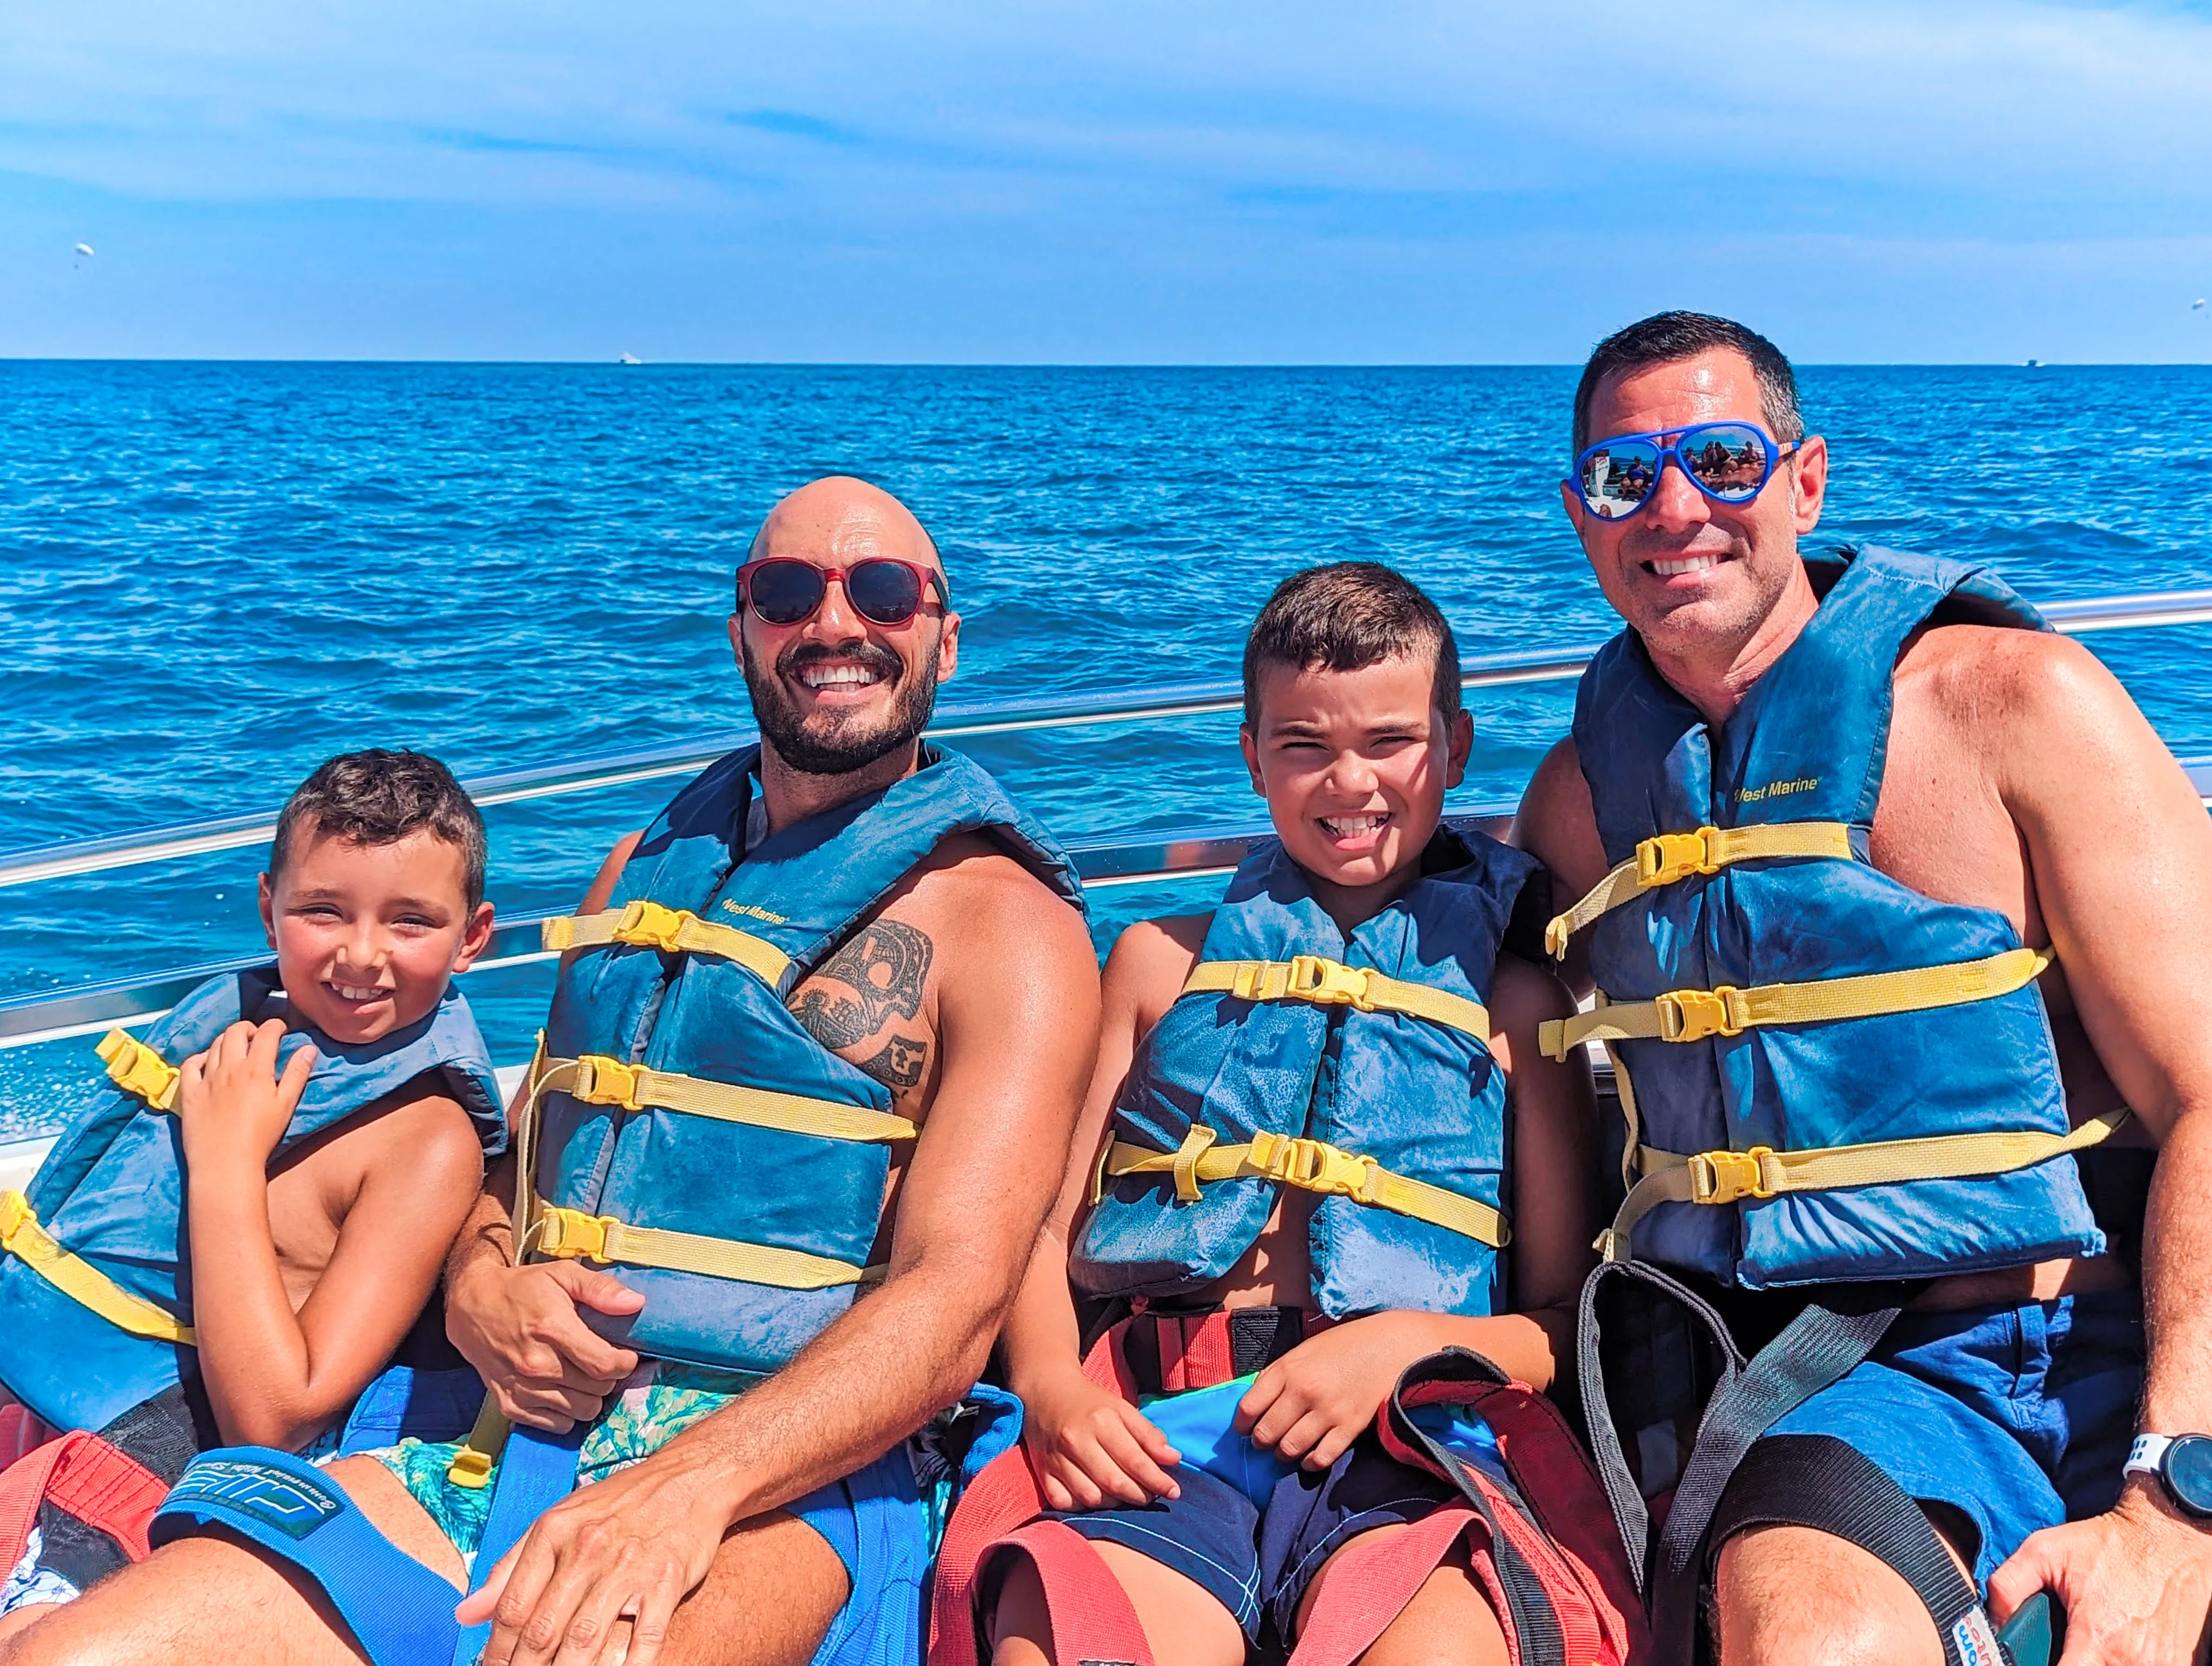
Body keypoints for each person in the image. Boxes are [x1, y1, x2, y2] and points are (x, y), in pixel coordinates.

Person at [0, 476, 1101, 1666]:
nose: (834, 625)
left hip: (792, 1482)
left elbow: (954, 1303)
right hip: (505, 1436)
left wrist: (687, 1489)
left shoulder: (1010, 929)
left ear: (944, 634)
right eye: (788, 593)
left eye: (883, 591)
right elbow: (523, 1171)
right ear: (742, 630)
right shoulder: (643, 868)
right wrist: (479, 1289)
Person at [1517, 311, 2212, 1665]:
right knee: (1801, 1627)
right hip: (1803, 1371)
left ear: (1806, 480)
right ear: (1583, 514)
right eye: (1623, 476)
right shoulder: (1577, 806)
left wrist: (2176, 1495)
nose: (1674, 509)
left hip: (2089, 1329)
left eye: (1721, 461)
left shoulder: (2020, 706)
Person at [963, 564, 1615, 1665]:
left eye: (1391, 743)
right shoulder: (1154, 968)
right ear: (1252, 754)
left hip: (1408, 1443)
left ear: (1455, 748)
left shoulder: (1513, 1007)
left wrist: (1403, 1346)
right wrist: (1050, 1389)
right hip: (1156, 1440)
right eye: (1304, 745)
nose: (1347, 781)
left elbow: (1560, 1321)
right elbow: (1034, 1228)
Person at [0, 749, 505, 1633]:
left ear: (473, 938)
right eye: (323, 910)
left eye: (410, 922)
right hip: (33, 1407)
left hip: (140, 1460)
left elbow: (276, 1421)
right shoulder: (243, 1034)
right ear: (269, 909)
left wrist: (227, 1161)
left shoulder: (426, 1138)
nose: (361, 955)